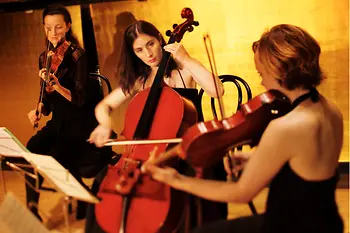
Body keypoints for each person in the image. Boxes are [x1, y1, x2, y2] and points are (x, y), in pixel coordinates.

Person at [142, 24, 344, 233]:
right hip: (326, 223)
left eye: (261, 73)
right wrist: (256, 159)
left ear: (278, 70)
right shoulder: (330, 110)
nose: (262, 82)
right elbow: (309, 167)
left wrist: (176, 180)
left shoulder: (284, 127)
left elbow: (241, 193)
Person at [86, 20, 226, 232]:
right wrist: (105, 125)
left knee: (182, 181)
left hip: (187, 150)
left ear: (160, 39)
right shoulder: (140, 80)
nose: (148, 54)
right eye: (139, 50)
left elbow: (217, 90)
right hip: (149, 154)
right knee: (101, 180)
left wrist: (187, 59)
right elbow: (103, 107)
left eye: (150, 44)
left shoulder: (183, 71)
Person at [25, 5, 111, 221]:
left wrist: (58, 85)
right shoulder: (44, 57)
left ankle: (84, 195)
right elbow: (45, 99)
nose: (53, 33)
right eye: (48, 28)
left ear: (68, 26)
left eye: (58, 28)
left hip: (79, 122)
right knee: (31, 149)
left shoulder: (77, 55)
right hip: (58, 122)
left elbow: (80, 99)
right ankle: (32, 208)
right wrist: (38, 110)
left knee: (57, 153)